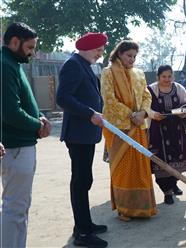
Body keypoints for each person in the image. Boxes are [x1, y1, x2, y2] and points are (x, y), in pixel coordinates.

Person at [0, 22, 51, 248]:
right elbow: (10, 112)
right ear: (14, 42)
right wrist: (37, 126)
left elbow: (22, 101)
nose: (32, 53)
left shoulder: (12, 63)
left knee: (18, 207)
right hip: (15, 147)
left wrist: (39, 116)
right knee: (15, 209)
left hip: (20, 146)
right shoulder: (4, 65)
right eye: (29, 47)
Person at [56, 32, 108, 248]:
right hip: (78, 134)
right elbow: (63, 98)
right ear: (87, 48)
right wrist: (90, 113)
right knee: (81, 181)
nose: (100, 54)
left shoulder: (83, 65)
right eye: (98, 50)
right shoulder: (73, 65)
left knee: (84, 180)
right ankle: (83, 234)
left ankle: (84, 224)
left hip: (86, 134)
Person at [101, 40, 157, 220]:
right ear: (119, 54)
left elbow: (147, 96)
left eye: (134, 56)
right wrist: (132, 115)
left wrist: (143, 113)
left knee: (140, 168)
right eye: (128, 55)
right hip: (118, 128)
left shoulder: (140, 74)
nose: (132, 59)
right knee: (122, 168)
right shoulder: (108, 73)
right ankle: (124, 209)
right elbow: (109, 100)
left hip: (139, 126)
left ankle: (143, 208)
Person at [148, 65, 186, 205]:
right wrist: (153, 114)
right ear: (158, 77)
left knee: (178, 158)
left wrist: (185, 111)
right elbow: (145, 106)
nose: (167, 79)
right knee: (161, 161)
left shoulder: (179, 88)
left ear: (173, 77)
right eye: (163, 76)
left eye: (169, 76)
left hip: (176, 131)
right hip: (158, 131)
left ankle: (174, 184)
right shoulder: (151, 89)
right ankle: (167, 192)